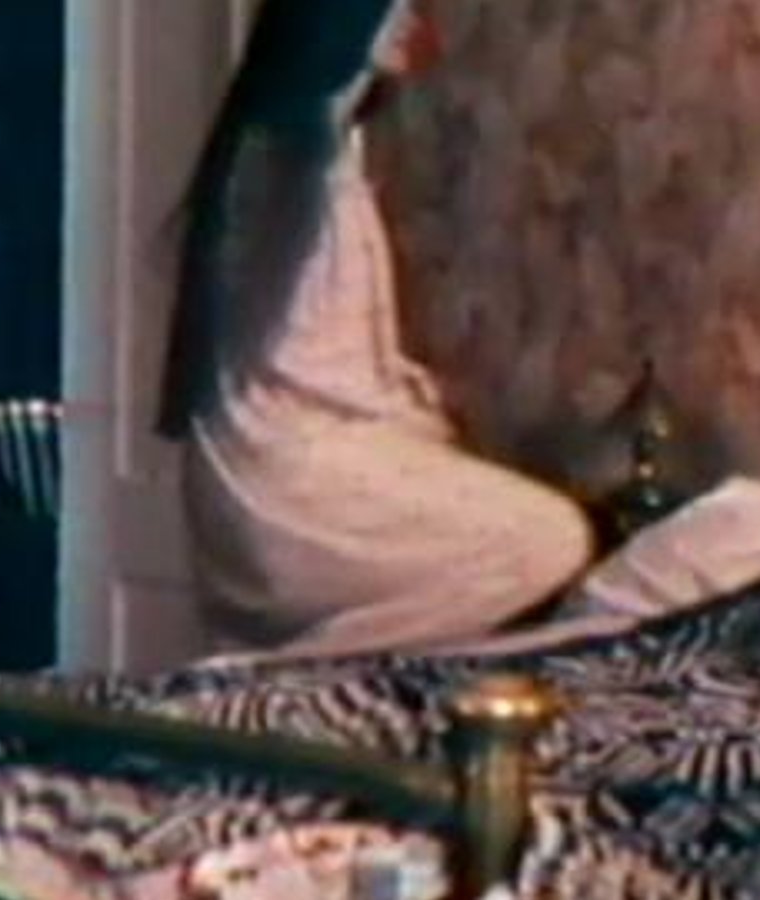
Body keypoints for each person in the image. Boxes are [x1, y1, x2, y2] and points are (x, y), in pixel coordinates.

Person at [155, 0, 594, 659]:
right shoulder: (287, 163)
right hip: (284, 479)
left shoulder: (305, 154)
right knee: (551, 541)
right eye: (397, 10)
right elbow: (312, 369)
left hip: (251, 475)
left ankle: (323, 680)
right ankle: (289, 674)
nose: (417, 26)